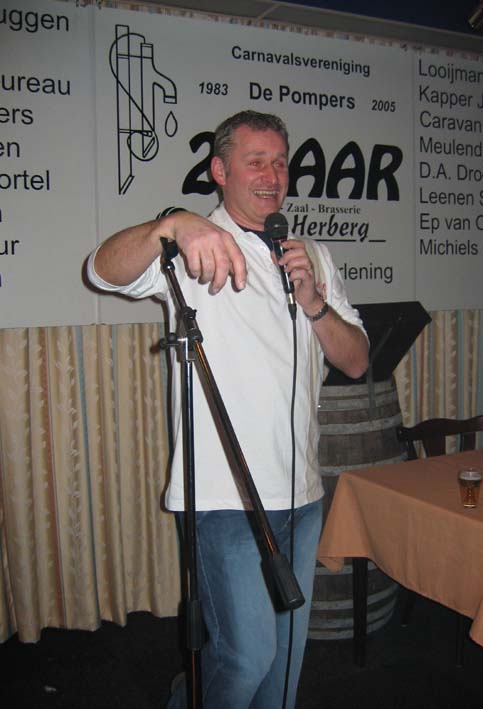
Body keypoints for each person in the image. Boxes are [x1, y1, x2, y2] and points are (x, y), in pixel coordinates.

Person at [86, 110, 369, 709]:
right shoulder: (196, 245)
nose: (272, 176)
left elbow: (356, 361)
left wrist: (315, 303)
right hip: (227, 502)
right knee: (245, 659)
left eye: (280, 163)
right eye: (255, 161)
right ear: (220, 171)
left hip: (302, 495)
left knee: (286, 663)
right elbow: (101, 269)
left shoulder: (311, 255)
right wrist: (172, 225)